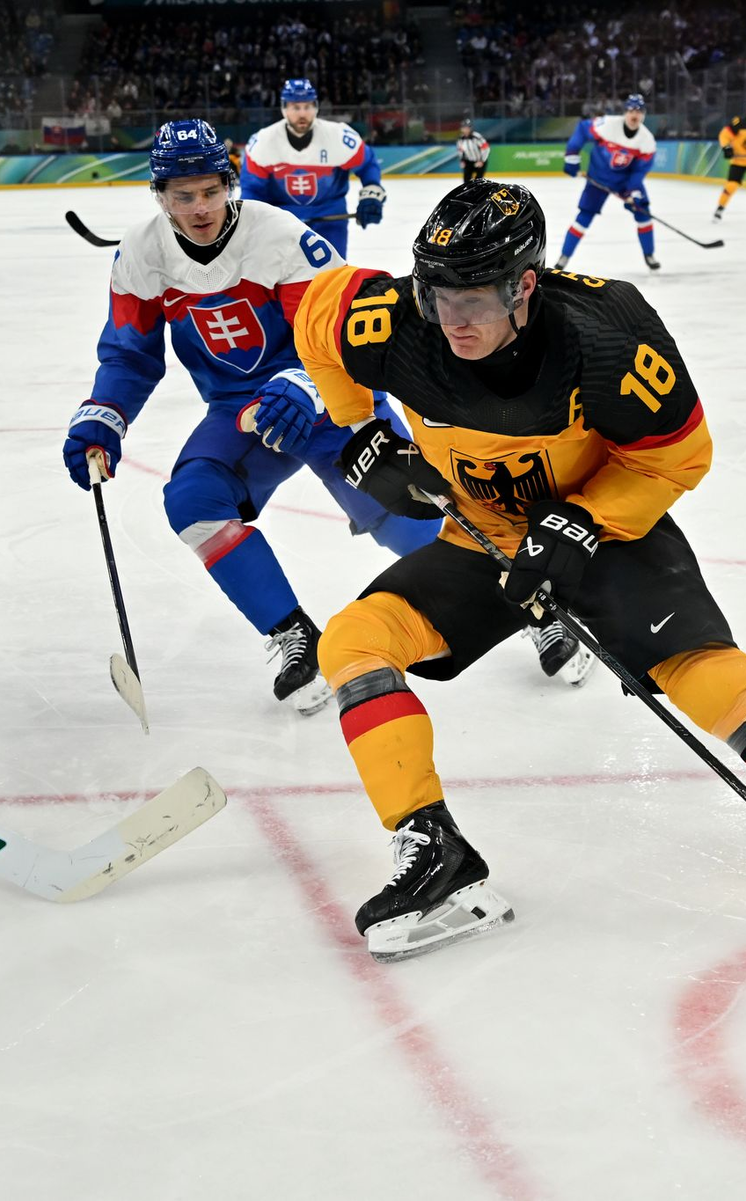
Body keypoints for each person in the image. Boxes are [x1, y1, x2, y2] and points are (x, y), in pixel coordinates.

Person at [292, 179, 746, 961]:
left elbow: (678, 456)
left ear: (524, 284)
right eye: (437, 294)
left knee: (690, 665)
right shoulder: (393, 322)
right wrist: (358, 428)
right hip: (483, 537)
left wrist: (583, 519)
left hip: (601, 532)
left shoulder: (609, 336)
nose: (452, 318)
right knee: (353, 640)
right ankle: (436, 850)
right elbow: (317, 314)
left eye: (473, 297)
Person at [64, 118, 446, 716]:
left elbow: (338, 332)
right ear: (159, 196)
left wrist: (303, 384)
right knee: (191, 500)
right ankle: (296, 636)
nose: (199, 208)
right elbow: (129, 355)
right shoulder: (140, 252)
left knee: (408, 511)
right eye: (182, 196)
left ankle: (520, 604)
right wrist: (104, 415)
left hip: (330, 395)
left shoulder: (278, 236)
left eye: (211, 192)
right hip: (240, 413)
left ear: (230, 184)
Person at [240, 78, 385, 258]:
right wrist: (249, 220)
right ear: (284, 108)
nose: (302, 114)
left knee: (333, 280)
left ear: (316, 107)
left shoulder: (338, 137)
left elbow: (367, 164)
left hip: (330, 221)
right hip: (280, 223)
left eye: (307, 107)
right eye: (295, 107)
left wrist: (371, 194)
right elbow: (252, 190)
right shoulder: (263, 142)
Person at [555, 93, 658, 272]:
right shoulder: (608, 125)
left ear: (644, 115)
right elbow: (582, 129)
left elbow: (639, 170)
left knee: (643, 213)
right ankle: (564, 257)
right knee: (584, 218)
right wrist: (572, 156)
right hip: (597, 179)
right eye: (631, 110)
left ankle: (649, 254)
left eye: (639, 111)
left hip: (625, 182)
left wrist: (633, 191)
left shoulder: (647, 140)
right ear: (625, 112)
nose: (635, 114)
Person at [713, 115, 745, 222]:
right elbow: (725, 139)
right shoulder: (731, 128)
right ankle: (720, 208)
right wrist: (727, 148)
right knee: (731, 185)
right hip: (738, 162)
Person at [456, 118, 489, 184]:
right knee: (466, 181)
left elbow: (486, 149)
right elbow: (461, 151)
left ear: (470, 128)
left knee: (478, 181)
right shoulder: (461, 139)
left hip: (479, 160)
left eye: (467, 127)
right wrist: (462, 160)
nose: (466, 129)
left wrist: (482, 160)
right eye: (464, 127)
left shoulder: (477, 137)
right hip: (468, 161)